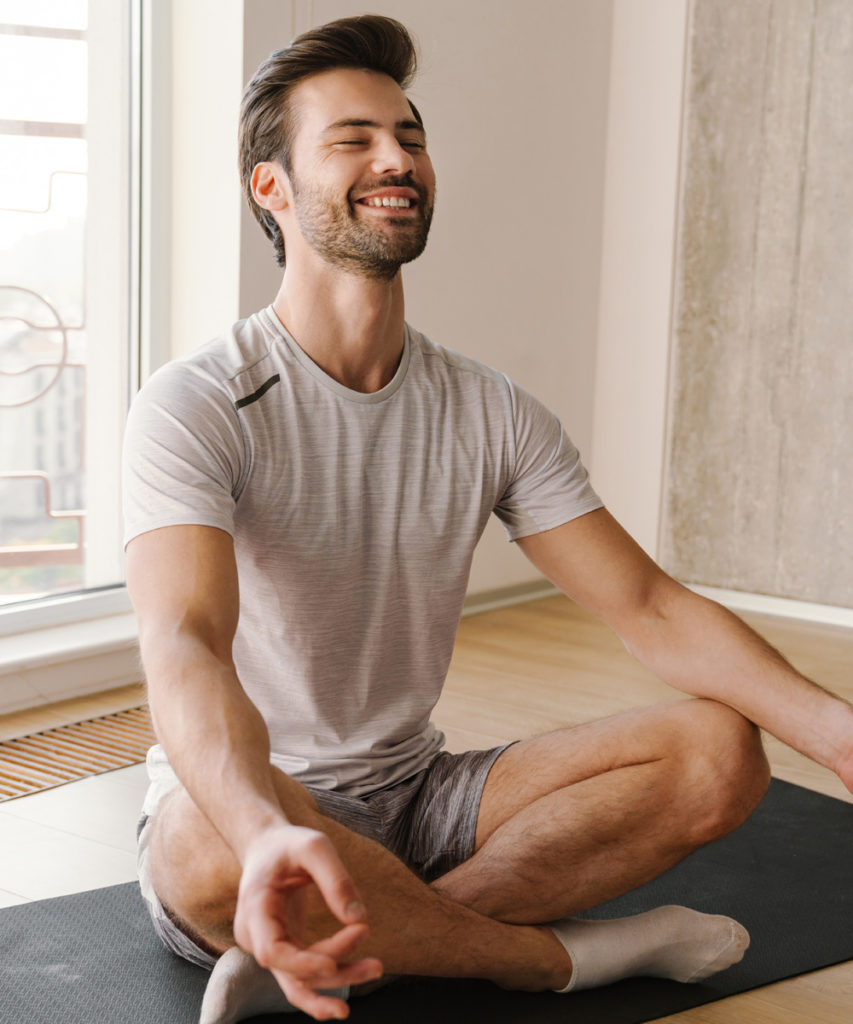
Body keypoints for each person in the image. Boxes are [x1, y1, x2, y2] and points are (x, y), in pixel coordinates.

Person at [123, 15, 853, 1024]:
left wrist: (835, 728)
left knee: (719, 752)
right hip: (262, 793)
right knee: (205, 853)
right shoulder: (199, 400)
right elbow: (185, 642)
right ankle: (554, 959)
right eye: (353, 140)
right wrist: (258, 828)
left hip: (419, 793)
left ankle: (366, 940)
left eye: (410, 136)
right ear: (271, 189)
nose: (398, 159)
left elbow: (644, 604)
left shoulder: (487, 407)